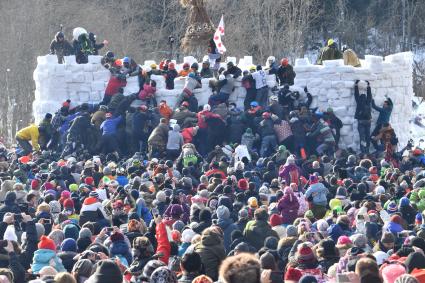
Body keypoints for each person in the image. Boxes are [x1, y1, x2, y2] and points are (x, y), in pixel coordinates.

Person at [354, 80, 372, 154]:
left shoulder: (359, 101)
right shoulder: (368, 101)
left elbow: (356, 94)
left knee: (362, 137)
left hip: (361, 121)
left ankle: (363, 151)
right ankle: (367, 150)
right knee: (367, 136)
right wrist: (368, 86)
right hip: (368, 121)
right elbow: (369, 94)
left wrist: (356, 85)